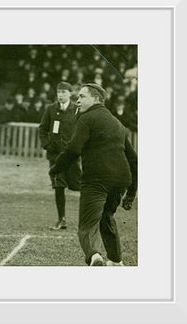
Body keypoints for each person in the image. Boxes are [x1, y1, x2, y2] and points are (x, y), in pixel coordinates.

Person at [50, 83, 138, 266]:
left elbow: (73, 149)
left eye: (82, 96)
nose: (77, 100)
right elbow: (134, 160)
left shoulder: (86, 118)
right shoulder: (117, 123)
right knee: (106, 218)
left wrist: (55, 168)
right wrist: (131, 193)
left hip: (96, 180)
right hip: (120, 180)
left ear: (96, 99)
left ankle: (95, 257)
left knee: (87, 225)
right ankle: (115, 261)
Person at [38, 82, 81, 230]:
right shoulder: (50, 109)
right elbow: (42, 129)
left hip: (72, 156)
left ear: (70, 93)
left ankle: (90, 217)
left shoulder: (77, 110)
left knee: (78, 185)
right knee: (58, 185)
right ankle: (61, 219)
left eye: (63, 92)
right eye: (58, 92)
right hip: (55, 156)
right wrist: (47, 145)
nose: (60, 95)